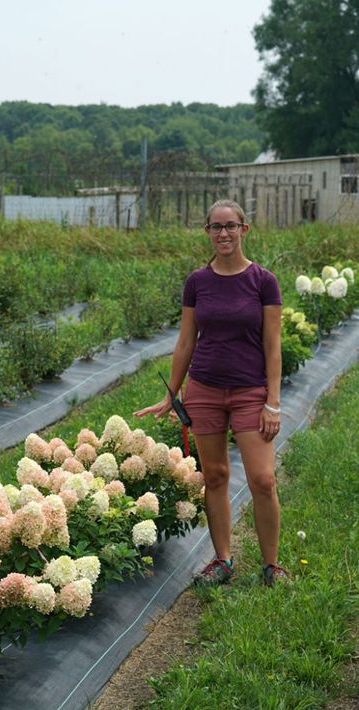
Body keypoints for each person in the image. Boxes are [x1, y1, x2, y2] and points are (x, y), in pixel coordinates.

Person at [134, 199, 288, 587]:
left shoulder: (263, 281)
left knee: (263, 479)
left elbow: (273, 346)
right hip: (204, 389)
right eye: (216, 227)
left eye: (230, 226)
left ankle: (272, 565)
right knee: (215, 476)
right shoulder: (197, 282)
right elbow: (186, 341)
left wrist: (273, 402)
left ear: (244, 229)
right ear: (207, 232)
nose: (223, 233)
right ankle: (222, 560)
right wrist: (173, 394)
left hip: (251, 391)